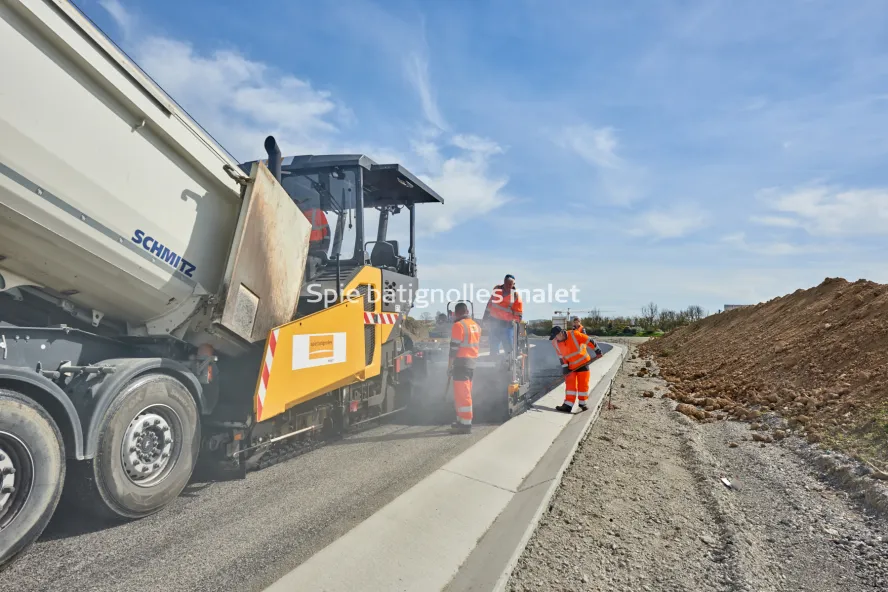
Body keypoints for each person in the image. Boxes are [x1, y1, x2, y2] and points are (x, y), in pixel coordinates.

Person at [549, 326, 604, 413]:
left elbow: (589, 340)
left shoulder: (574, 334)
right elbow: (561, 356)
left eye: (556, 336)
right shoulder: (555, 342)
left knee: (583, 384)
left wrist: (597, 351)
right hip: (570, 367)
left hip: (583, 363)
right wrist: (565, 368)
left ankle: (583, 403)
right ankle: (568, 405)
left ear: (561, 333)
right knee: (570, 386)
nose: (556, 339)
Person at [448, 302, 481, 433]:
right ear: (467, 311)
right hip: (471, 362)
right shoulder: (476, 325)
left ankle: (466, 425)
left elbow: (453, 349)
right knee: (462, 392)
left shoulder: (458, 325)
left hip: (461, 362)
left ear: (457, 313)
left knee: (463, 393)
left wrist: (449, 366)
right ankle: (460, 420)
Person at [483, 274, 523, 360]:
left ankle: (510, 360)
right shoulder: (497, 291)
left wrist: (515, 324)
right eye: (506, 283)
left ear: (513, 284)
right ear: (504, 282)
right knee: (493, 342)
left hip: (507, 324)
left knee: (508, 343)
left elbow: (518, 314)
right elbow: (489, 304)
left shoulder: (514, 296)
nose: (508, 286)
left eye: (510, 284)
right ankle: (494, 359)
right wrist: (485, 317)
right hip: (495, 321)